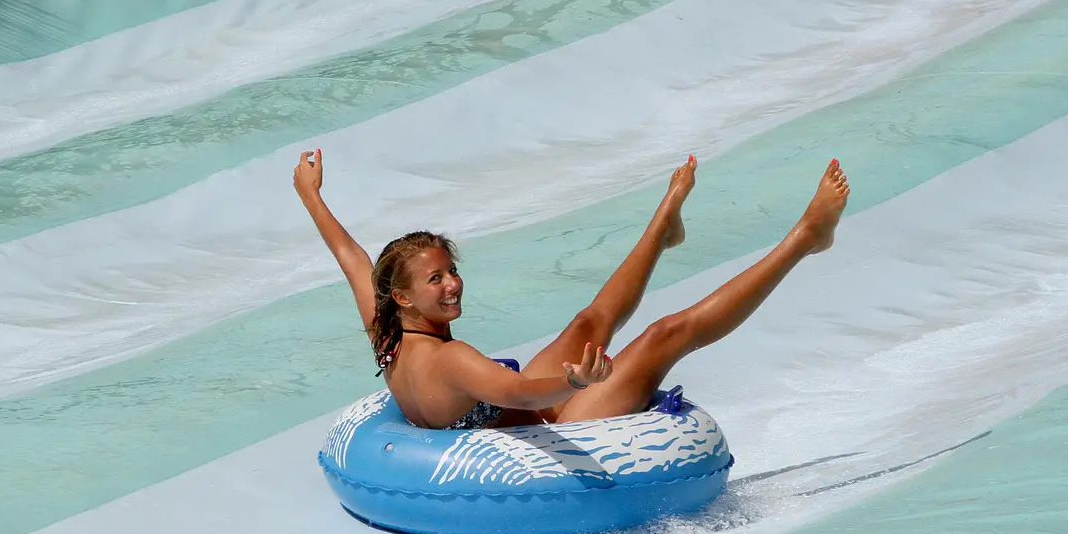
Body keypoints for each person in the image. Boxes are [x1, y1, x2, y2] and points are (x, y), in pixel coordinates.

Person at [294, 149, 848, 430]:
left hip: (528, 417)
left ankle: (662, 231)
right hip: (561, 427)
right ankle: (805, 239)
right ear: (404, 296)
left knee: (588, 321)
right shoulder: (451, 360)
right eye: (435, 279)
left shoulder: (386, 332)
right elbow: (520, 395)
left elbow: (352, 259)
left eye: (451, 270)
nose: (453, 284)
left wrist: (311, 195)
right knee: (666, 333)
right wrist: (575, 382)